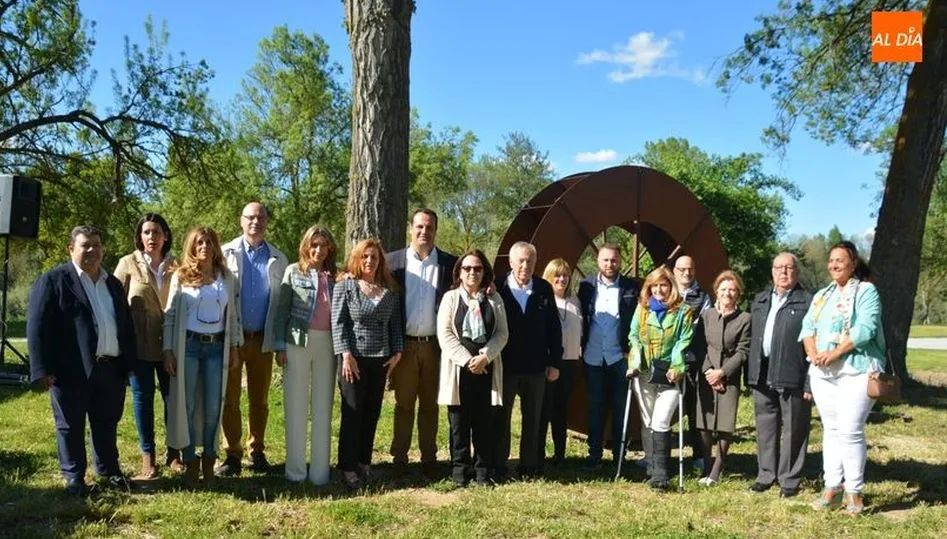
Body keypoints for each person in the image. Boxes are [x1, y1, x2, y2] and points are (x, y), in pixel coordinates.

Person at [27, 225, 138, 496]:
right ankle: (74, 477)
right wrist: (42, 368)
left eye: (97, 245)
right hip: (70, 370)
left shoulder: (111, 283)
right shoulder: (54, 280)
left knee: (106, 423)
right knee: (70, 425)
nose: (92, 250)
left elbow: (125, 325)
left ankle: (109, 471)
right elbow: (37, 326)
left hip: (110, 367)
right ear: (71, 249)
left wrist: (128, 365)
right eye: (86, 245)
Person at [801, 241, 885, 516]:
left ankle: (854, 492)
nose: (834, 265)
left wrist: (836, 352)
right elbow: (807, 327)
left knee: (850, 430)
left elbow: (866, 329)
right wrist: (814, 352)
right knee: (832, 429)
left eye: (840, 260)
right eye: (831, 260)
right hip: (823, 373)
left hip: (855, 369)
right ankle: (832, 488)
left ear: (853, 263)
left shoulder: (865, 290)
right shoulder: (821, 295)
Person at [163, 227, 242, 484]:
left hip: (216, 348)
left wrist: (234, 347)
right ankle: (189, 460)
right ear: (192, 246)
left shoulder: (226, 277)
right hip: (189, 346)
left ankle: (209, 458)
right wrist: (167, 350)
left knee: (212, 407)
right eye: (199, 242)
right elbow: (170, 315)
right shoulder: (181, 276)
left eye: (209, 242)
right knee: (187, 404)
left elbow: (234, 316)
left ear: (215, 246)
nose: (204, 246)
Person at [386, 209, 458, 476]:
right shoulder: (392, 262)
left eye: (429, 227)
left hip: (436, 347)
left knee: (430, 404)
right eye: (419, 227)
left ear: (435, 230)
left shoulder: (450, 265)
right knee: (404, 404)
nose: (423, 232)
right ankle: (399, 458)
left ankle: (429, 458)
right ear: (410, 228)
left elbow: (475, 281)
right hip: (404, 345)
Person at [218, 202, 288, 476]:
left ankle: (256, 450)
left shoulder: (278, 258)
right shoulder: (224, 254)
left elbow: (281, 303)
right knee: (230, 398)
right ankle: (232, 453)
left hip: (262, 339)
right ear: (241, 220)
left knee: (259, 399)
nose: (255, 222)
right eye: (250, 217)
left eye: (260, 217)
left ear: (267, 221)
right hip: (233, 338)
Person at [332, 238, 404, 490]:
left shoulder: (390, 289)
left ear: (380, 261)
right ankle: (347, 467)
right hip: (353, 359)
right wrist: (345, 354)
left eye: (374, 257)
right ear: (357, 259)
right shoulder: (346, 286)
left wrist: (397, 352)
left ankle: (364, 462)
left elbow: (395, 324)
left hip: (381, 359)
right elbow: (338, 322)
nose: (369, 261)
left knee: (372, 412)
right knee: (353, 413)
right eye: (365, 256)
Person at [113, 213, 180, 479]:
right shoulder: (127, 263)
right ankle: (147, 458)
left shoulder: (177, 265)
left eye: (156, 232)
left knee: (172, 399)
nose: (151, 237)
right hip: (139, 345)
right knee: (143, 400)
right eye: (146, 232)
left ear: (166, 236)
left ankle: (174, 453)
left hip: (170, 345)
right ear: (140, 236)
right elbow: (114, 300)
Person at [436, 250, 509, 487]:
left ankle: (481, 472)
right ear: (459, 271)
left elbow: (502, 333)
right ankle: (459, 471)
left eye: (477, 268)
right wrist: (468, 360)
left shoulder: (494, 299)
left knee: (483, 423)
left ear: (484, 272)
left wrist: (485, 357)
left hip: (486, 370)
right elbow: (445, 333)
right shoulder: (450, 298)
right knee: (459, 424)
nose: (472, 273)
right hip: (459, 370)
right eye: (467, 268)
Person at [273, 225, 338, 485]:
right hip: (297, 342)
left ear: (329, 248)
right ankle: (296, 472)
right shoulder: (293, 272)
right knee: (296, 406)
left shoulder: (336, 276)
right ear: (306, 246)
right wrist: (279, 345)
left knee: (323, 407)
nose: (318, 250)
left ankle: (320, 473)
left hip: (327, 344)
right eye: (314, 245)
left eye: (323, 245)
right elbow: (281, 310)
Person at [747, 252, 813, 498]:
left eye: (789, 267)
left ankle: (789, 479)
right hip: (762, 374)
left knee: (795, 428)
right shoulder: (760, 300)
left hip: (792, 373)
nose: (783, 272)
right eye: (778, 267)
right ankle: (766, 475)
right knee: (765, 427)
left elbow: (815, 344)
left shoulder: (808, 302)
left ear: (796, 271)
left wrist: (809, 380)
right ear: (772, 271)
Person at [495, 241, 562, 480]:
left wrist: (554, 361)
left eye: (530, 261)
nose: (525, 265)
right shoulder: (498, 286)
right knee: (501, 418)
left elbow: (554, 327)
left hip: (536, 367)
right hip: (506, 367)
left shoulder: (544, 288)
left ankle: (529, 466)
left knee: (534, 419)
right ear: (511, 262)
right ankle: (498, 465)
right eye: (521, 260)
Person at [626, 266, 693, 492]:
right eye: (654, 285)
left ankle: (662, 474)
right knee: (648, 420)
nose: (659, 289)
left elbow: (683, 341)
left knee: (661, 419)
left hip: (669, 374)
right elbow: (633, 336)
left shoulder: (683, 311)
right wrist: (634, 363)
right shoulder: (642, 310)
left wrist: (677, 366)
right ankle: (652, 469)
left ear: (671, 286)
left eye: (663, 285)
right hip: (644, 373)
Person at [577, 244, 640, 470]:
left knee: (620, 408)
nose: (609, 265)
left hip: (619, 358)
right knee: (595, 408)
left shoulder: (632, 287)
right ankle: (594, 456)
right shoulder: (585, 286)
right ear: (598, 262)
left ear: (620, 262)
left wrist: (631, 350)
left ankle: (618, 458)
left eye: (613, 260)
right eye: (605, 260)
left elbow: (640, 319)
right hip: (593, 357)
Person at [695, 270, 751, 485]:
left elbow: (743, 350)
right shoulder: (706, 315)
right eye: (724, 289)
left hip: (730, 376)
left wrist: (723, 373)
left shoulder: (745, 319)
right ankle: (706, 467)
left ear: (738, 294)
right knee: (705, 423)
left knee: (725, 425)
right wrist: (709, 371)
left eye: (733, 290)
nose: (728, 293)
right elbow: (699, 345)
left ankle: (717, 469)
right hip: (707, 374)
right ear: (716, 291)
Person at [538, 258, 582, 466]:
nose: (562, 279)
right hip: (550, 363)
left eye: (565, 275)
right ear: (549, 277)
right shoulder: (544, 299)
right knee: (544, 408)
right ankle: (537, 453)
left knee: (561, 409)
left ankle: (560, 454)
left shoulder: (575, 300)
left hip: (571, 362)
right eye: (557, 275)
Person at [672, 255, 712, 472]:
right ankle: (658, 455)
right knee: (666, 410)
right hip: (669, 362)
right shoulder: (667, 292)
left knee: (695, 410)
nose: (686, 273)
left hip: (693, 360)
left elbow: (702, 328)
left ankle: (699, 456)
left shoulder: (703, 296)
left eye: (690, 269)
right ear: (674, 270)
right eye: (682, 269)